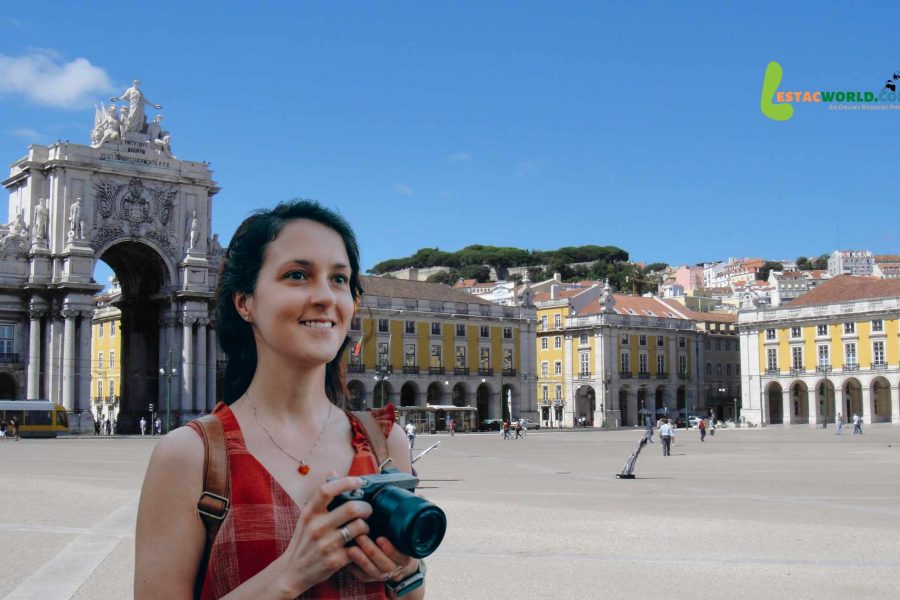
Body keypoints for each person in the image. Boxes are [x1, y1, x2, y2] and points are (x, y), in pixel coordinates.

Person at [135, 201, 425, 599]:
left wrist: (404, 570)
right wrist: (290, 574)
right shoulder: (190, 456)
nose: (325, 296)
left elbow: (409, 594)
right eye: (297, 275)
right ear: (245, 302)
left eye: (339, 279)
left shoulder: (385, 443)